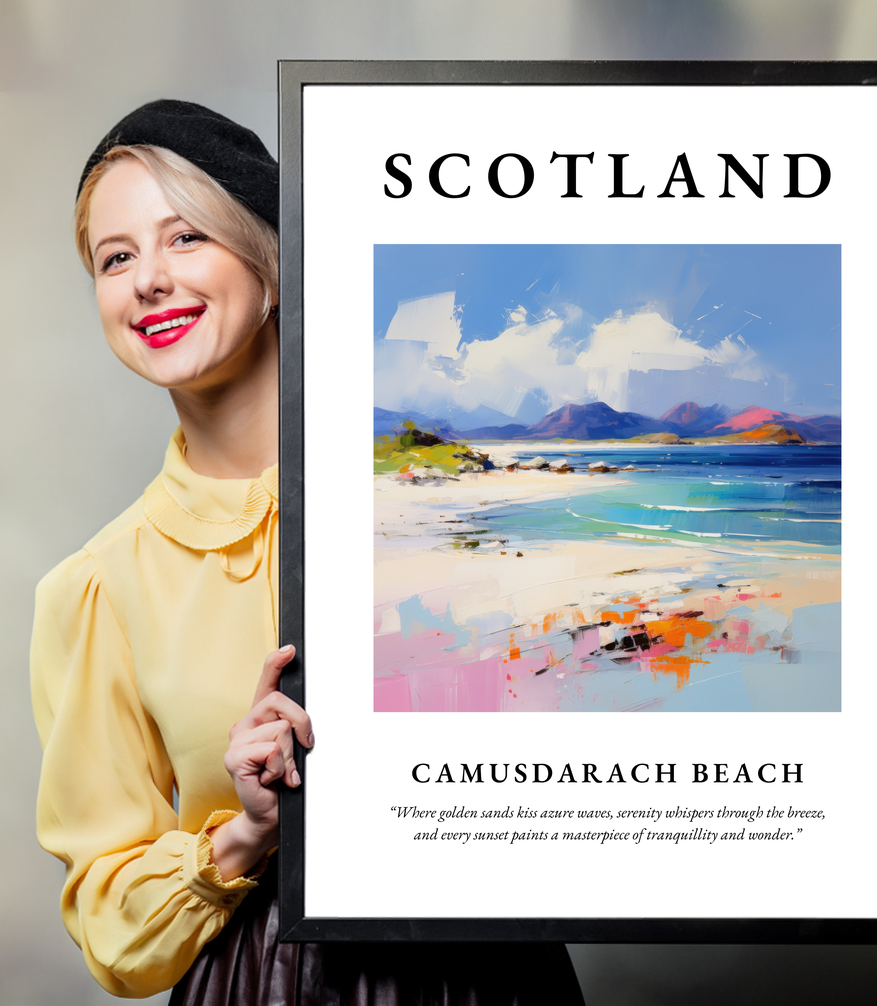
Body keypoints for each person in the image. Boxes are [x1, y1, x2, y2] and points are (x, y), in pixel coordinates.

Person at [30, 100, 586, 1004]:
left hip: (492, 973)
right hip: (262, 982)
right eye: (116, 257)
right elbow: (110, 922)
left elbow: (608, 700)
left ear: (272, 263)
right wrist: (245, 832)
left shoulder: (448, 494)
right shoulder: (97, 587)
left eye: (185, 238)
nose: (148, 281)